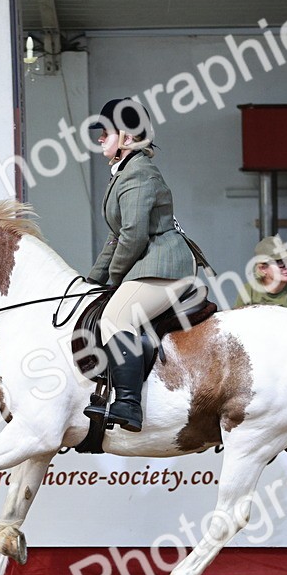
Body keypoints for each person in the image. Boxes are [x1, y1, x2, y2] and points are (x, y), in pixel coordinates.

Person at [83, 97, 197, 433]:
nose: (100, 138)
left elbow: (132, 236)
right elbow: (116, 237)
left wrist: (114, 279)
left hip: (165, 264)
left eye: (106, 132)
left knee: (115, 318)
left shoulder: (139, 174)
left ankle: (129, 404)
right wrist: (90, 283)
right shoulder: (124, 173)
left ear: (128, 138)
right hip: (148, 261)